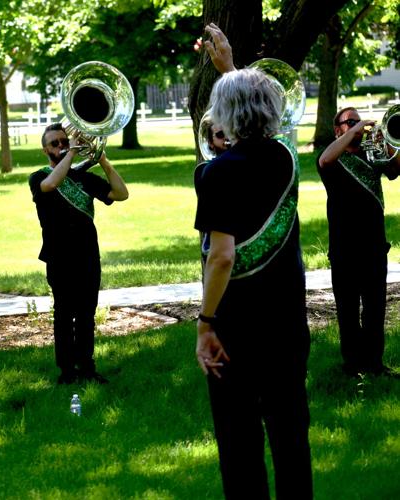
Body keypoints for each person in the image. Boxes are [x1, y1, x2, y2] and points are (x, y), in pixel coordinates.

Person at [194, 23, 313, 499]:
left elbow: (221, 258)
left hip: (236, 326)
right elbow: (270, 117)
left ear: (223, 112)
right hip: (287, 321)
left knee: (239, 436)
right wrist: (232, 69)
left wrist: (205, 323)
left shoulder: (216, 173)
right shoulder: (285, 157)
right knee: (289, 431)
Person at [29, 123, 128, 385]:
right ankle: (66, 371)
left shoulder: (83, 177)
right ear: (45, 150)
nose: (61, 146)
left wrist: (103, 161)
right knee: (64, 314)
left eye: (64, 141)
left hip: (87, 256)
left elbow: (121, 193)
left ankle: (86, 366)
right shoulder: (38, 177)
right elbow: (51, 185)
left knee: (86, 313)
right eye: (56, 143)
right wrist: (72, 153)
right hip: (59, 257)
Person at [317, 107, 400, 376]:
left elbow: (395, 169)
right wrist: (355, 130)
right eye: (349, 122)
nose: (357, 126)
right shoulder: (333, 159)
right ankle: (352, 365)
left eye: (357, 120)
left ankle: (375, 364)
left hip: (375, 246)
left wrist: (389, 142)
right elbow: (325, 160)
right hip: (343, 249)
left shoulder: (371, 152)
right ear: (338, 129)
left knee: (375, 309)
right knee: (348, 311)